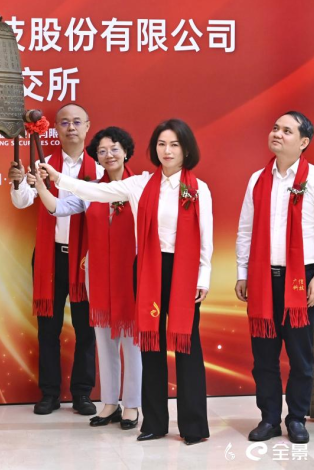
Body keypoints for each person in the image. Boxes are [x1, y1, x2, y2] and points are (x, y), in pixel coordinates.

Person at [39, 119, 213, 445]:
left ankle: (193, 427)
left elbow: (206, 237)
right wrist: (58, 178)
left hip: (184, 273)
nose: (167, 151)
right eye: (161, 144)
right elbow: (96, 191)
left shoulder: (198, 188)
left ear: (186, 149)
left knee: (187, 348)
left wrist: (203, 277)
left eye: (174, 145)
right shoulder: (140, 185)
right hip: (147, 269)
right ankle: (154, 423)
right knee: (150, 347)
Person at [36, 127, 142, 429]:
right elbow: (58, 207)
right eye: (102, 151)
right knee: (104, 341)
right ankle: (109, 403)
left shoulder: (139, 185)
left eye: (115, 149)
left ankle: (132, 405)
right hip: (97, 274)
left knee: (132, 342)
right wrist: (42, 185)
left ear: (126, 151)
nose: (109, 155)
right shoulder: (91, 189)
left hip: (130, 273)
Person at [8, 103, 103, 416]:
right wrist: (18, 182)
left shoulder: (100, 169)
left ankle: (82, 394)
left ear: (88, 126)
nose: (71, 127)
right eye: (64, 122)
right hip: (51, 257)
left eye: (77, 121)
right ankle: (49, 393)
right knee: (48, 330)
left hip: (86, 261)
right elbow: (23, 202)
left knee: (86, 329)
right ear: (56, 129)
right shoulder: (43, 164)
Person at [235, 111, 314, 444]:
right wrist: (242, 273)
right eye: (275, 128)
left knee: (300, 356)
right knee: (264, 357)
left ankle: (296, 418)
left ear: (303, 142)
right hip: (262, 279)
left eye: (287, 130)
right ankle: (269, 418)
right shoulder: (258, 179)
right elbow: (245, 230)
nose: (277, 134)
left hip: (302, 279)